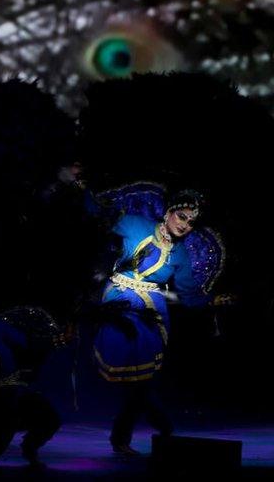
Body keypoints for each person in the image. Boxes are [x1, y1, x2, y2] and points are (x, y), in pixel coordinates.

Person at [93, 189, 231, 455]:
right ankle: (157, 423)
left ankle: (130, 434)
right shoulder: (135, 224)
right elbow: (99, 216)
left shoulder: (180, 255)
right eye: (182, 216)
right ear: (168, 213)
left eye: (191, 223)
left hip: (150, 312)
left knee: (142, 378)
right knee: (131, 377)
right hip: (120, 301)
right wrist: (76, 188)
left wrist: (213, 301)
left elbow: (188, 295)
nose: (185, 225)